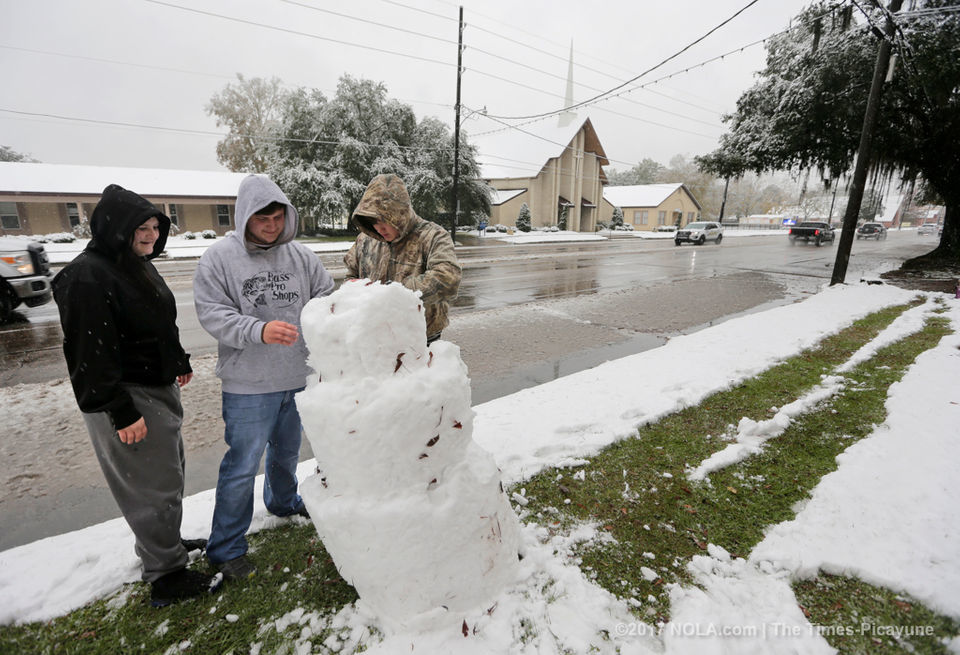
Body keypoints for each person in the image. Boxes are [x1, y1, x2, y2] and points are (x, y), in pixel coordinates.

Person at [52, 184, 220, 608]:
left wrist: (177, 359)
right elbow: (89, 354)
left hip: (153, 386)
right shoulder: (88, 276)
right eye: (139, 228)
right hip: (127, 396)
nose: (149, 235)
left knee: (165, 477)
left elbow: (156, 320)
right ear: (113, 228)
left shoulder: (135, 264)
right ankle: (166, 577)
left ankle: (165, 545)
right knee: (152, 487)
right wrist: (122, 412)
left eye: (154, 227)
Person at [194, 174, 334, 581]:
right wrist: (259, 329)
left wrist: (338, 307)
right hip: (248, 384)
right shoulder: (219, 258)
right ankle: (226, 548)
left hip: (297, 376)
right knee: (241, 466)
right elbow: (212, 313)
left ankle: (283, 501)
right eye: (262, 219)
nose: (271, 226)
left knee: (287, 452)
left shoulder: (301, 256)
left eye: (277, 218)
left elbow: (325, 297)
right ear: (244, 217)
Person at [345, 173, 462, 343]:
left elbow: (447, 279)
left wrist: (395, 293)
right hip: (374, 334)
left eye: (384, 219)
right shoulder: (365, 240)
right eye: (373, 221)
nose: (379, 228)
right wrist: (354, 288)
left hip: (420, 337)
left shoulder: (432, 236)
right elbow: (351, 275)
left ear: (400, 213)